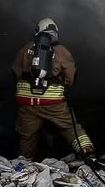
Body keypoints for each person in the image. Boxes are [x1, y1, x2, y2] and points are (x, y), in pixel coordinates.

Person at [11, 18, 95, 160]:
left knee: (27, 136)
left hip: (26, 102)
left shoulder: (25, 49)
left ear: (38, 31)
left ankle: (22, 164)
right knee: (71, 128)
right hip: (52, 103)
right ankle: (88, 154)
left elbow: (15, 72)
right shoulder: (62, 51)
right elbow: (70, 78)